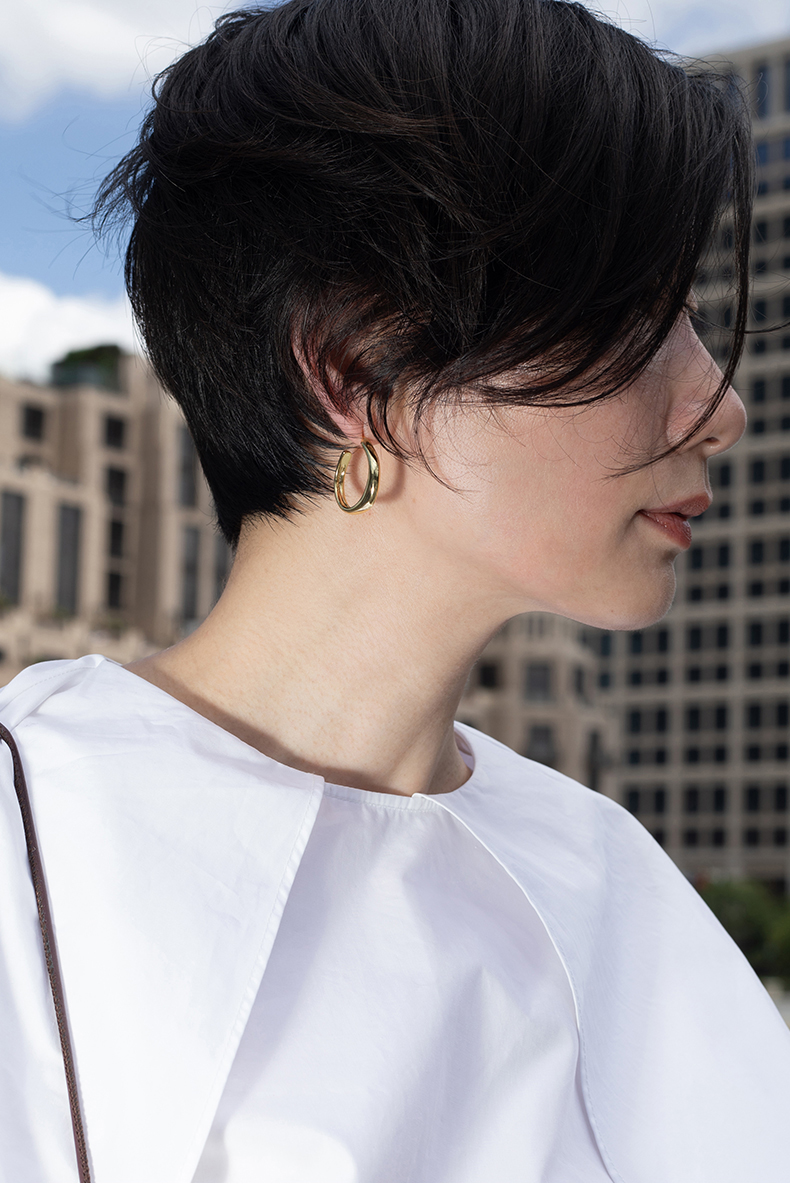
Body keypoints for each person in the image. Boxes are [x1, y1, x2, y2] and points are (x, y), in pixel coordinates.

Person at [1, 0, 789, 1182]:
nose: (719, 406)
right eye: (637, 316)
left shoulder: (609, 874)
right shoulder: (34, 843)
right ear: (358, 368)